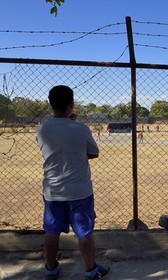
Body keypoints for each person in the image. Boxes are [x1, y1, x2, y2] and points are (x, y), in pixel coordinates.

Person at [36, 85, 110, 280]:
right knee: (84, 232)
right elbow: (93, 153)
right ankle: (91, 270)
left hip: (52, 190)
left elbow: (51, 150)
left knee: (51, 231)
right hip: (79, 190)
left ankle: (50, 269)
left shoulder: (42, 128)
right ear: (71, 104)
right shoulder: (80, 128)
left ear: (51, 104)